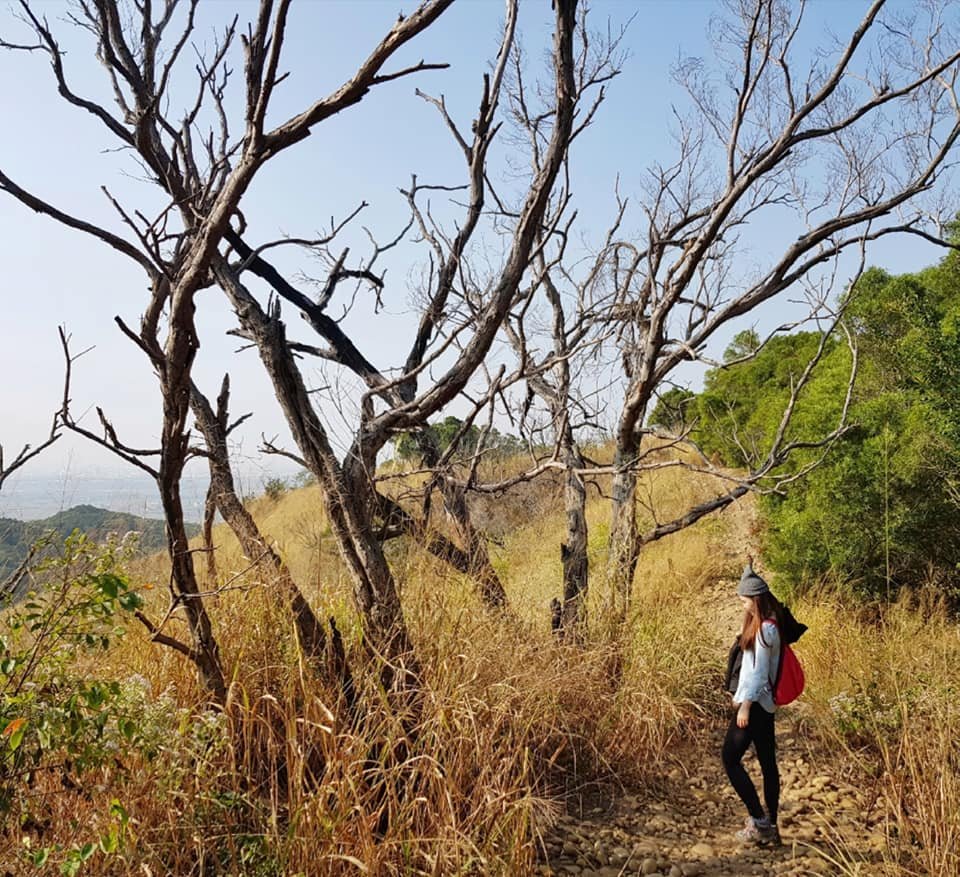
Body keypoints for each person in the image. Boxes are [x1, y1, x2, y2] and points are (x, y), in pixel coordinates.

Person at [722, 557, 784, 846]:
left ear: (756, 599)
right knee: (768, 765)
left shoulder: (765, 631)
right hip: (766, 705)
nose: (742, 604)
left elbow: (757, 673)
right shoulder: (769, 625)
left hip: (755, 705)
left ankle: (760, 821)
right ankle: (771, 826)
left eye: (745, 600)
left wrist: (744, 705)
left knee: (730, 759)